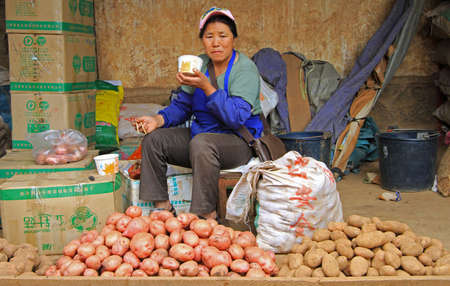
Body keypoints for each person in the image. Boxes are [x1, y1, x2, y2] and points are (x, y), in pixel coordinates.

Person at [134, 7, 263, 219]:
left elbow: (235, 118)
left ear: (233, 38)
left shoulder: (245, 69)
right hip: (201, 139)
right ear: (202, 40)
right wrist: (157, 120)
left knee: (202, 143)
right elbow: (183, 106)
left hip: (237, 141)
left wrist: (207, 88)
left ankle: (205, 215)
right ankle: (163, 208)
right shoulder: (199, 64)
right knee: (154, 140)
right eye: (209, 36)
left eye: (223, 36)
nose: (216, 43)